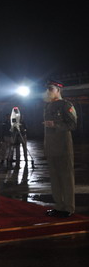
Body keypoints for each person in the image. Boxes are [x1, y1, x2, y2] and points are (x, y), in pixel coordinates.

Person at [43, 80, 77, 218]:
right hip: (51, 147)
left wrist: (55, 124)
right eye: (48, 89)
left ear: (58, 90)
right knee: (55, 178)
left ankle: (68, 208)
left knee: (66, 178)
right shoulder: (48, 106)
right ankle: (59, 205)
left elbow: (73, 124)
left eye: (51, 88)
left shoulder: (65, 105)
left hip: (63, 147)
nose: (48, 91)